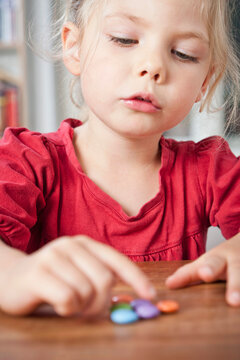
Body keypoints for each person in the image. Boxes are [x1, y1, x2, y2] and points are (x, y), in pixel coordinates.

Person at [0, 0, 239, 317]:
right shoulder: (27, 161)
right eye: (124, 39)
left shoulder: (209, 168)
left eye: (184, 53)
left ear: (205, 81)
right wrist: (9, 272)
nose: (153, 66)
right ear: (75, 47)